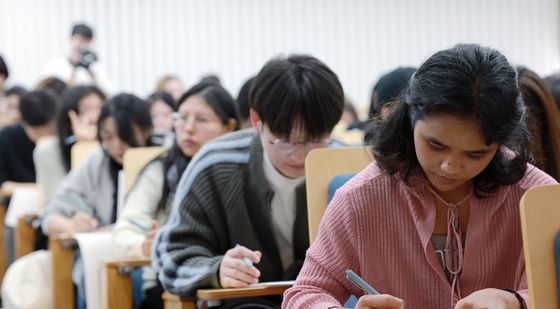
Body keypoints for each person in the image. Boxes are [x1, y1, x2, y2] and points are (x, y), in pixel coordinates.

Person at [283, 44, 557, 309]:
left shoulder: (538, 200)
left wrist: (517, 301)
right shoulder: (360, 199)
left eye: (475, 154)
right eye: (436, 145)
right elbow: (306, 293)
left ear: (500, 144)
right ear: (410, 118)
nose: (450, 166)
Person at [151, 54, 344, 308]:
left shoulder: (344, 167)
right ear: (256, 121)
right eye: (285, 140)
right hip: (244, 303)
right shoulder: (215, 164)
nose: (300, 153)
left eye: (316, 138)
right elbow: (170, 254)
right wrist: (216, 270)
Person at [113, 81, 239, 309]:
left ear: (229, 127)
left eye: (201, 120)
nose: (188, 128)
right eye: (182, 117)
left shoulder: (243, 170)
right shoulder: (160, 171)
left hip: (237, 285)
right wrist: (145, 244)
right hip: (171, 284)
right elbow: (124, 230)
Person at [41, 93, 152, 308]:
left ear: (145, 129)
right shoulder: (97, 161)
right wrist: (72, 225)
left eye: (125, 135)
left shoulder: (162, 157)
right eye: (109, 137)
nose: (117, 145)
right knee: (94, 272)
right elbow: (50, 216)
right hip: (106, 257)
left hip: (147, 257)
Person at [0, 89, 58, 264]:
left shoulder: (60, 139)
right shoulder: (7, 137)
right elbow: (3, 185)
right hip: (19, 210)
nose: (46, 134)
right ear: (24, 122)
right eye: (38, 130)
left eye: (50, 128)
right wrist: (40, 188)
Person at [33, 85, 105, 206]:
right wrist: (85, 146)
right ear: (69, 118)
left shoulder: (115, 148)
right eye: (85, 111)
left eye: (100, 110)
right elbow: (60, 202)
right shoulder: (49, 151)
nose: (95, 117)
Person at [42, 23, 113, 94]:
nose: (82, 44)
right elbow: (52, 93)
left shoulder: (96, 67)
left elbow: (108, 94)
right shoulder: (56, 65)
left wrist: (92, 74)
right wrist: (74, 66)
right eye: (80, 39)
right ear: (71, 39)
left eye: (86, 40)